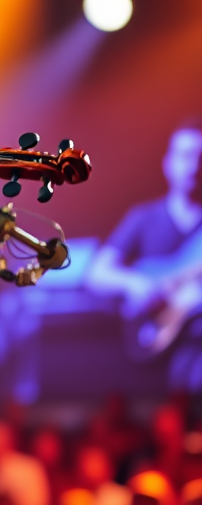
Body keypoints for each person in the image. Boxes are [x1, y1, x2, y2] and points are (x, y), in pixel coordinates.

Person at [87, 122, 202, 387]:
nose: (193, 167)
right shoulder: (143, 218)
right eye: (185, 156)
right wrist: (134, 282)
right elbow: (97, 273)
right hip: (150, 348)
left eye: (200, 157)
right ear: (168, 163)